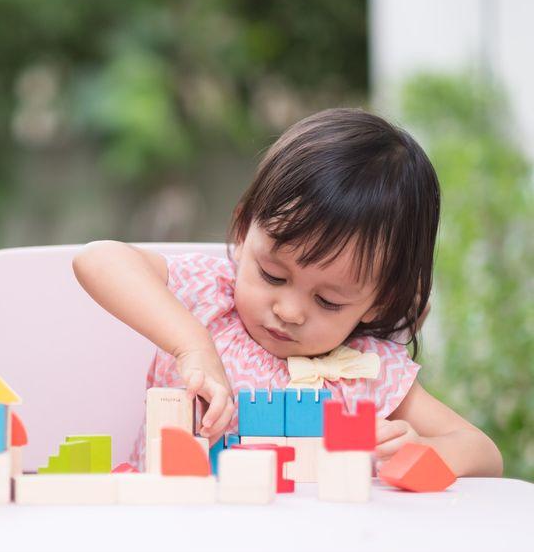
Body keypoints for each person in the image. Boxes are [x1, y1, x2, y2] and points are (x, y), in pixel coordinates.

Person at [74, 108, 502, 476]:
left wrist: (420, 449)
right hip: (175, 538)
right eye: (273, 275)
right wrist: (192, 346)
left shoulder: (368, 370)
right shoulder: (211, 297)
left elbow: (483, 452)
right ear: (243, 232)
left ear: (381, 300)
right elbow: (98, 259)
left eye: (329, 301)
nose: (290, 310)